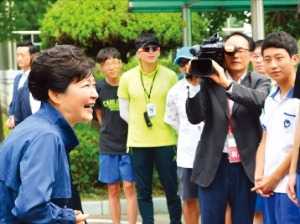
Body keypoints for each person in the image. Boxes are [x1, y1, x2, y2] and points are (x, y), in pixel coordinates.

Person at [0, 45, 98, 223]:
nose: (95, 94)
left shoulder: (38, 127)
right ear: (55, 95)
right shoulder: (46, 137)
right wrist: (67, 217)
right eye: (86, 86)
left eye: (94, 85)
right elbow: (31, 208)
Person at [186, 32, 271, 224]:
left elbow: (260, 101)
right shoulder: (209, 81)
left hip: (246, 165)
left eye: (240, 50)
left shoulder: (259, 81)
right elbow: (194, 117)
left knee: (243, 220)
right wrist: (194, 83)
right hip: (213, 165)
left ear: (250, 55)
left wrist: (227, 84)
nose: (235, 56)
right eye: (229, 51)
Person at [118, 32, 182, 224]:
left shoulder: (170, 76)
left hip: (166, 140)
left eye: (155, 48)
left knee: (171, 188)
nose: (152, 52)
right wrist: (139, 124)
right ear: (138, 53)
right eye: (147, 49)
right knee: (143, 190)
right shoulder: (127, 78)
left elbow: (176, 108)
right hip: (138, 142)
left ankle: (176, 222)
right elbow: (123, 111)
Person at [253, 31, 300, 224]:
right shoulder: (270, 98)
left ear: (294, 58)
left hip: (291, 185)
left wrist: (273, 178)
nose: (273, 65)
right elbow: (265, 138)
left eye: (279, 58)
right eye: (267, 59)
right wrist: (259, 177)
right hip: (268, 188)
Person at [94, 47, 138, 224]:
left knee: (129, 187)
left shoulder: (129, 84)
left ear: (121, 64)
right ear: (101, 67)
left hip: (130, 143)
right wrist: (106, 127)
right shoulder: (98, 87)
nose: (111, 67)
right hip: (108, 145)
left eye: (115, 62)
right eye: (107, 64)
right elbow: (98, 112)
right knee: (112, 189)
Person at [164, 46, 201, 224]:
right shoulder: (175, 91)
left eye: (189, 62)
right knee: (188, 199)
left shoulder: (212, 86)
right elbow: (172, 119)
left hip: (212, 154)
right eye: (182, 64)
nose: (186, 66)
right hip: (187, 155)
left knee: (214, 200)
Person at [6, 41, 40, 129]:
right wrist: (11, 116)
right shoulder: (17, 78)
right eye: (17, 55)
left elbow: (37, 106)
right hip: (18, 129)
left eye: (22, 55)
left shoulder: (37, 78)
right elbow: (13, 102)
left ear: (32, 56)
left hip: (32, 127)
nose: (19, 58)